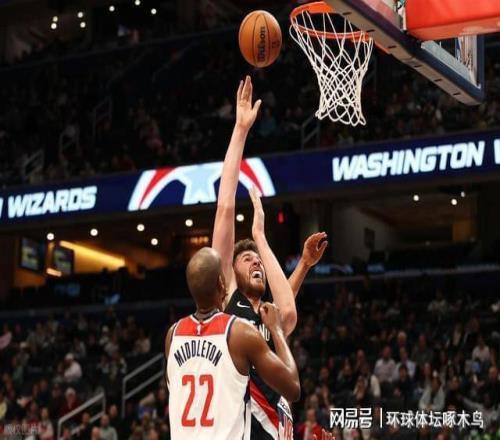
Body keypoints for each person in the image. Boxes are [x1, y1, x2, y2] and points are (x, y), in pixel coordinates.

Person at [212, 75, 327, 440]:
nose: (256, 262)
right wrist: (241, 130)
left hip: (278, 427)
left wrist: (296, 261)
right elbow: (225, 208)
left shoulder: (268, 317)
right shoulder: (227, 302)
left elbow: (285, 308)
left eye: (257, 259)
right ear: (229, 272)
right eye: (246, 259)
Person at [164, 247, 300, 440]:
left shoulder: (173, 335)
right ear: (221, 284)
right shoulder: (239, 332)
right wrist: (277, 330)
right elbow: (293, 388)